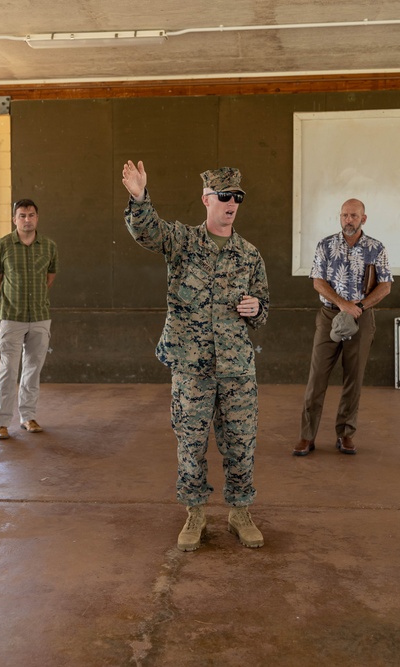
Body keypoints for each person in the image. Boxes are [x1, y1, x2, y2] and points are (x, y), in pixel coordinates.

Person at [122, 160, 270, 552]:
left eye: (237, 197)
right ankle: (196, 514)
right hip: (192, 365)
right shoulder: (184, 242)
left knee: (241, 444)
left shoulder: (249, 255)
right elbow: (148, 233)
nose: (231, 203)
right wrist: (139, 197)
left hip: (237, 368)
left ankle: (240, 513)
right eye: (224, 196)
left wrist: (257, 307)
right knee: (191, 442)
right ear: (207, 199)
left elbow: (264, 306)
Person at [295, 199, 392, 457]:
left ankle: (346, 434)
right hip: (329, 315)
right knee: (317, 378)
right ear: (340, 217)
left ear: (364, 218)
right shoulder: (325, 245)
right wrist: (342, 303)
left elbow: (385, 286)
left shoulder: (376, 247)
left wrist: (358, 305)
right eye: (344, 215)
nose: (348, 219)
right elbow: (318, 281)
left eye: (354, 215)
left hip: (362, 317)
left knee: (353, 378)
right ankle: (307, 436)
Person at [0, 199, 58, 439]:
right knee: (8, 370)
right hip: (11, 317)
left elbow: (49, 277)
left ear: (37, 218)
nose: (27, 220)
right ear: (14, 219)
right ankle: (1, 423)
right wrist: (12, 301)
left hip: (40, 317)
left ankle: (28, 417)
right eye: (22, 215)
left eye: (31, 215)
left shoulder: (49, 246)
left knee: (32, 369)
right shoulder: (2, 246)